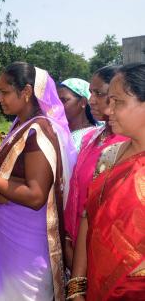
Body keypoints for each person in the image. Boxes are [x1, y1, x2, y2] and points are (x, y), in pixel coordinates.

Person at [0, 62, 77, 301]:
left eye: (4, 92)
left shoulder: (38, 130)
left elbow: (35, 195)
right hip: (9, 237)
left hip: (26, 244)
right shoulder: (21, 125)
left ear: (25, 92)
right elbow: (15, 173)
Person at [69, 63, 145, 301]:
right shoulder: (109, 156)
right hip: (96, 286)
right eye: (108, 100)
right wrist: (77, 286)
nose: (108, 110)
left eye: (118, 102)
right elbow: (88, 217)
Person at [64, 66, 126, 268]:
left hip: (103, 251)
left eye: (99, 93)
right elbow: (76, 190)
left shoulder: (126, 144)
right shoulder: (90, 138)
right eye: (90, 92)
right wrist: (67, 239)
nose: (91, 100)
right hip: (73, 242)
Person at [57, 78, 97, 151]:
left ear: (83, 102)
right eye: (57, 101)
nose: (59, 105)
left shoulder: (93, 136)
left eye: (64, 100)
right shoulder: (57, 131)